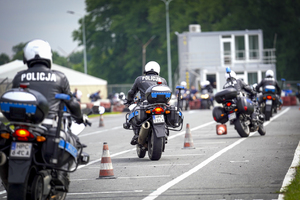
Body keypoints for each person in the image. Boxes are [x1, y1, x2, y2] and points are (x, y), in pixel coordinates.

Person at [11, 39, 89, 187]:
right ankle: (59, 173)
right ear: (49, 57)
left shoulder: (19, 77)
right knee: (70, 140)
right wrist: (79, 117)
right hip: (48, 126)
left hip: (22, 125)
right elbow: (71, 103)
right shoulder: (59, 77)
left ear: (26, 58)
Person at [127, 61, 167, 145]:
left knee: (134, 112)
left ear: (146, 70)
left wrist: (128, 101)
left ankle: (137, 134)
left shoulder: (140, 79)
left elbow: (131, 92)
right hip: (161, 104)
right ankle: (165, 130)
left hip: (145, 104)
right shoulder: (162, 80)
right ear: (158, 70)